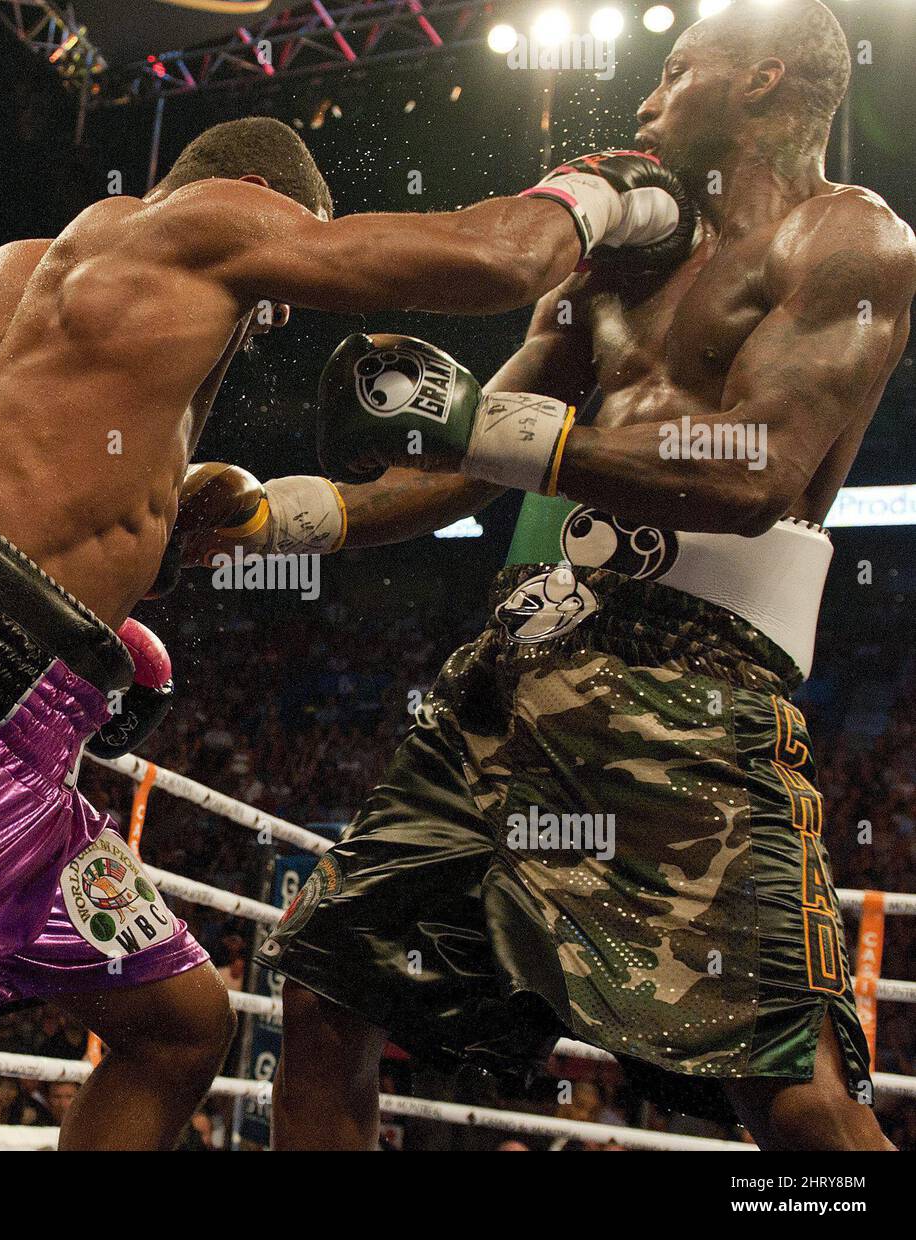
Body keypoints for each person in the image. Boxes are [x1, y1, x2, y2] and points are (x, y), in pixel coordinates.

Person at [0, 114, 686, 1150]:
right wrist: (607, 191)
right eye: (278, 290)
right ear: (267, 206)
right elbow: (485, 262)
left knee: (180, 1028)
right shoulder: (206, 219)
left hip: (22, 737)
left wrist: (108, 563)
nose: (268, 318)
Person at [182, 2, 916, 1150]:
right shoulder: (622, 261)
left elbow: (757, 468)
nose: (643, 102)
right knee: (328, 982)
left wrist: (490, 432)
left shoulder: (847, 240)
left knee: (787, 1087)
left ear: (764, 79)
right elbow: (469, 457)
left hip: (694, 688)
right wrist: (281, 515)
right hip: (515, 667)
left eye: (675, 73)